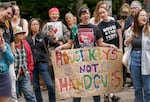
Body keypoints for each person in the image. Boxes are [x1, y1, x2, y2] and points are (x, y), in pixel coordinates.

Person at [56, 6, 117, 102]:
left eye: (87, 13)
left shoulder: (95, 28)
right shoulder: (75, 28)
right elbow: (70, 43)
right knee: (78, 87)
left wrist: (110, 46)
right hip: (78, 62)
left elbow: (100, 43)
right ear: (80, 16)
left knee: (95, 86)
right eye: (83, 14)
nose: (86, 15)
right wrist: (61, 47)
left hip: (92, 62)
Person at [27, 18, 57, 102]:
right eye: (33, 24)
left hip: (43, 62)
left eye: (37, 24)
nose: (35, 26)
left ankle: (52, 100)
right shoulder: (27, 39)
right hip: (32, 64)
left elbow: (53, 43)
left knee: (50, 85)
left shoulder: (43, 35)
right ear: (30, 26)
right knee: (36, 86)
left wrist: (54, 37)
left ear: (39, 26)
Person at [124, 9, 150, 102]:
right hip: (134, 58)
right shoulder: (131, 29)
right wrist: (128, 40)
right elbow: (126, 43)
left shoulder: (149, 30)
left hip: (147, 60)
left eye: (146, 16)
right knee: (137, 88)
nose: (145, 17)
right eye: (142, 15)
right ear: (137, 18)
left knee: (147, 89)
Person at [97, 7, 122, 102]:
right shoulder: (99, 26)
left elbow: (120, 36)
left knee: (113, 74)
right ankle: (107, 95)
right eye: (100, 13)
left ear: (107, 12)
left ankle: (110, 94)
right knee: (106, 73)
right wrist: (109, 46)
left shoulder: (114, 22)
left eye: (103, 12)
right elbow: (100, 42)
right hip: (106, 52)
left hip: (116, 52)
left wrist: (120, 49)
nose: (102, 14)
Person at [0, 4, 18, 102]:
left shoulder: (8, 23)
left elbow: (12, 40)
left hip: (7, 58)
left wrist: (12, 54)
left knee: (12, 90)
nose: (9, 16)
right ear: (1, 9)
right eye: (8, 13)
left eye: (11, 15)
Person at [13, 26, 36, 102]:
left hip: (25, 73)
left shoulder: (25, 43)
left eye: (22, 34)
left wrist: (30, 69)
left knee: (29, 94)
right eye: (19, 34)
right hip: (14, 74)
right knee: (14, 96)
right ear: (14, 35)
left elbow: (30, 56)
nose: (21, 35)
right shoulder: (11, 45)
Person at [0, 24, 14, 102]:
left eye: (1, 30)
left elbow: (11, 60)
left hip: (4, 77)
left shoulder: (6, 46)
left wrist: (4, 49)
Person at [117, 3, 130, 87]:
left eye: (126, 13)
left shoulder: (129, 22)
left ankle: (125, 80)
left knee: (125, 62)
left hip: (127, 45)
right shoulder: (118, 22)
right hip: (119, 44)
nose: (124, 14)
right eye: (123, 13)